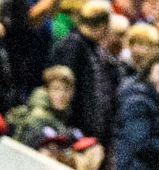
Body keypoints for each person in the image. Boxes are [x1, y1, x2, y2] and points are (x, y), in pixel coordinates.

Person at [49, 0, 115, 154]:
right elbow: (62, 87)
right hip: (69, 130)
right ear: (102, 25)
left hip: (83, 134)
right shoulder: (74, 45)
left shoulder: (92, 49)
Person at [8, 64, 75, 148]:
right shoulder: (37, 116)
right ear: (46, 90)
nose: (61, 95)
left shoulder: (61, 116)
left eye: (66, 89)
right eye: (56, 89)